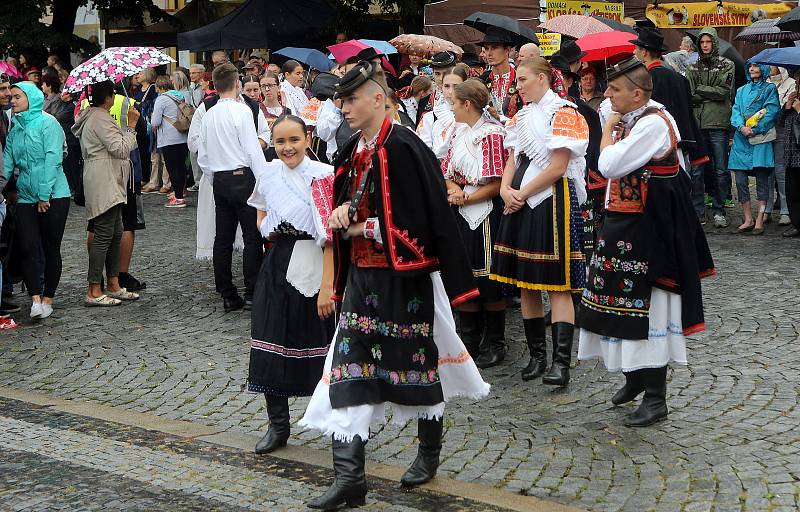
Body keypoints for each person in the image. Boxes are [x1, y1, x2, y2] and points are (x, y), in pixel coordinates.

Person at [300, 61, 489, 509]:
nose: (342, 108)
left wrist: (360, 227)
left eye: (350, 99)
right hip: (363, 282)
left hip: (406, 281)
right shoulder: (350, 150)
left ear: (378, 99)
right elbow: (349, 204)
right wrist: (341, 218)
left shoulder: (404, 146)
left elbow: (424, 218)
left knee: (423, 367)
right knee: (347, 369)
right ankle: (349, 478)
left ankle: (428, 454)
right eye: (340, 100)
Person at [577, 57, 715, 427]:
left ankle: (656, 397)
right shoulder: (639, 119)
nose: (608, 95)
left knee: (647, 305)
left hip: (648, 231)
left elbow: (608, 165)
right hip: (629, 225)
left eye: (616, 90)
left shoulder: (653, 124)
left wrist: (607, 130)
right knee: (617, 300)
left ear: (638, 94)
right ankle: (634, 377)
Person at [489, 57, 588, 384]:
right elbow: (512, 158)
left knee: (558, 284)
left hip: (551, 199)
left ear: (543, 79)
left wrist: (522, 192)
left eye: (523, 80)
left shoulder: (566, 114)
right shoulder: (521, 116)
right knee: (525, 281)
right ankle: (537, 358)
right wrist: (505, 189)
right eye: (517, 81)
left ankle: (561, 363)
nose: (518, 86)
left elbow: (558, 166)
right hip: (519, 198)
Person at [247, 114, 336, 455]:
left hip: (315, 260)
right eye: (280, 141)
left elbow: (330, 234)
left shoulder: (324, 175)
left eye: (294, 140)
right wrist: (265, 227)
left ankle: (334, 423)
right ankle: (278, 425)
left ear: (308, 139)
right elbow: (259, 211)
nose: (288, 148)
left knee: (321, 341)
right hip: (277, 262)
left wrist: (328, 285)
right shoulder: (269, 174)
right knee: (271, 335)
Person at [440, 78, 508, 367]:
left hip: (486, 211)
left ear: (467, 104)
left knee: (488, 277)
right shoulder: (457, 132)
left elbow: (497, 182)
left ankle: (495, 341)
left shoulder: (491, 135)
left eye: (454, 102)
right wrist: (453, 189)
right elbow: (445, 171)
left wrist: (467, 198)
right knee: (464, 273)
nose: (451, 107)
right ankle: (469, 338)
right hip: (460, 209)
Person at [196, 62, 267, 312]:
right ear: (237, 84)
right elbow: (252, 150)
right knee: (251, 235)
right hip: (242, 176)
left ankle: (227, 292)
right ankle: (251, 291)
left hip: (221, 179)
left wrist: (216, 177)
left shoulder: (209, 114)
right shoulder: (242, 112)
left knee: (223, 237)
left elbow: (202, 156)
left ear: (214, 86)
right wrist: (264, 181)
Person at [4, 81, 72, 319]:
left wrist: (44, 195)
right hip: (25, 195)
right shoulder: (16, 129)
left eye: (17, 97)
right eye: (11, 97)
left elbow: (53, 160)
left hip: (55, 195)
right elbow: (7, 164)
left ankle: (48, 298)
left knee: (50, 247)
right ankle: (35, 300)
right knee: (27, 246)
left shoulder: (48, 123)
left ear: (30, 98)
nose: (12, 101)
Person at [73, 81, 142, 307]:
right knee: (104, 233)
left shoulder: (95, 116)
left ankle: (113, 283)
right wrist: (131, 126)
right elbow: (121, 149)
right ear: (109, 96)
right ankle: (94, 288)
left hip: (107, 177)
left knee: (115, 231)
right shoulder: (99, 117)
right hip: (105, 179)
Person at [632, 27, 709, 222]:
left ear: (645, 51)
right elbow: (687, 113)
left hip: (654, 148)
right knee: (681, 190)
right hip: (679, 144)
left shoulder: (644, 79)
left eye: (637, 48)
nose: (634, 52)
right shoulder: (679, 78)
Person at [687, 27, 736, 228]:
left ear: (714, 43)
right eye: (702, 42)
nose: (705, 45)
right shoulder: (692, 66)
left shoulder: (727, 64)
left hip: (718, 123)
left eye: (708, 42)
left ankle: (719, 209)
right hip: (698, 123)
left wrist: (700, 90)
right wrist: (708, 92)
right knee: (696, 170)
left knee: (721, 169)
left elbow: (724, 92)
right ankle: (698, 211)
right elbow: (690, 94)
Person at [729, 61, 780, 235]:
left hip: (760, 138)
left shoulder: (770, 89)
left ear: (764, 69)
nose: (752, 69)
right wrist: (740, 127)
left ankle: (760, 219)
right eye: (750, 66)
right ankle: (748, 218)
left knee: (762, 179)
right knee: (741, 180)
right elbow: (735, 111)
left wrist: (756, 128)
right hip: (741, 138)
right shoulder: (741, 90)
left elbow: (772, 111)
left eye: (756, 66)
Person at [150, 75, 190, 208]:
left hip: (168, 139)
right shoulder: (180, 96)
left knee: (173, 169)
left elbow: (155, 122)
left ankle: (178, 198)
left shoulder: (161, 99)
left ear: (159, 87)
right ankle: (179, 193)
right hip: (182, 137)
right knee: (181, 167)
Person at [417, 64, 468, 158]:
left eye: (456, 87)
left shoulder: (476, 114)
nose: (450, 92)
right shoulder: (430, 118)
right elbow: (423, 153)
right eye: (446, 86)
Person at [42, 76, 81, 194]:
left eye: (64, 93)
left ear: (70, 95)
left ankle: (75, 188)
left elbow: (57, 116)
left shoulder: (71, 106)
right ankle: (71, 186)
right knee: (67, 166)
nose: (61, 95)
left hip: (71, 140)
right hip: (64, 139)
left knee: (72, 166)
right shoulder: (63, 105)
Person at [768, 66, 795, 226]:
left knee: (780, 170)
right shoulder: (765, 83)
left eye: (773, 66)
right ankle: (767, 209)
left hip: (782, 130)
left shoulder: (790, 83)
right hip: (765, 131)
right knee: (766, 170)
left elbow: (788, 108)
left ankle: (785, 210)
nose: (770, 68)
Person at [479, 27, 521, 118]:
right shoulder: (481, 82)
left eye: (494, 47)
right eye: (486, 48)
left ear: (507, 50)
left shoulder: (520, 79)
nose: (489, 53)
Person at [415, 51, 456, 126]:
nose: (441, 78)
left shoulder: (465, 98)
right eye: (437, 74)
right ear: (433, 73)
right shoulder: (425, 101)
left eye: (445, 73)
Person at [782, 75, 800, 238]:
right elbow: (781, 123)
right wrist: (787, 107)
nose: (797, 84)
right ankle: (796, 224)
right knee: (792, 192)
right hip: (790, 154)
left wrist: (799, 111)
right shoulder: (794, 99)